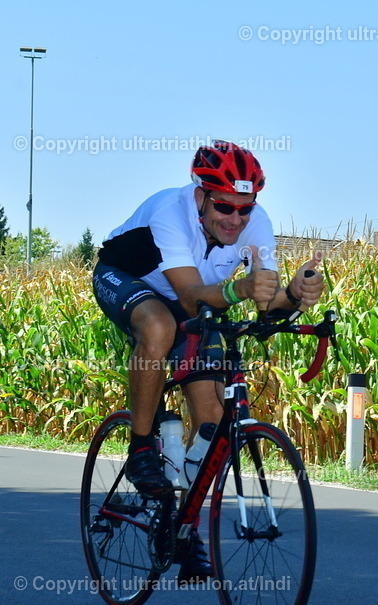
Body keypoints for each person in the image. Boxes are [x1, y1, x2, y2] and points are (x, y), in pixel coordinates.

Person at [92, 140, 324, 581]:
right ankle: (141, 448)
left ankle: (182, 528)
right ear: (200, 195)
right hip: (129, 280)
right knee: (159, 327)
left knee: (214, 417)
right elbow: (189, 297)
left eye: (245, 209)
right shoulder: (170, 212)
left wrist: (294, 294)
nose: (235, 219)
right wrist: (241, 289)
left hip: (199, 299)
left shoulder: (256, 224)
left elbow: (266, 303)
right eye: (224, 207)